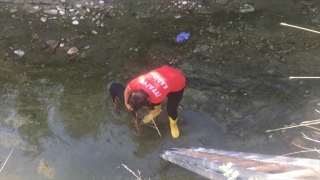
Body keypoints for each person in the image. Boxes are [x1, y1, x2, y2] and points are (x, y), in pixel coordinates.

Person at [124, 65, 185, 138]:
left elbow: (155, 107)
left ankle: (173, 125)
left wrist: (152, 109)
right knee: (164, 92)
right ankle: (153, 114)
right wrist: (126, 102)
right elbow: (127, 91)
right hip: (165, 72)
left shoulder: (156, 97)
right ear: (134, 94)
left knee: (171, 110)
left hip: (178, 82)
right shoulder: (137, 82)